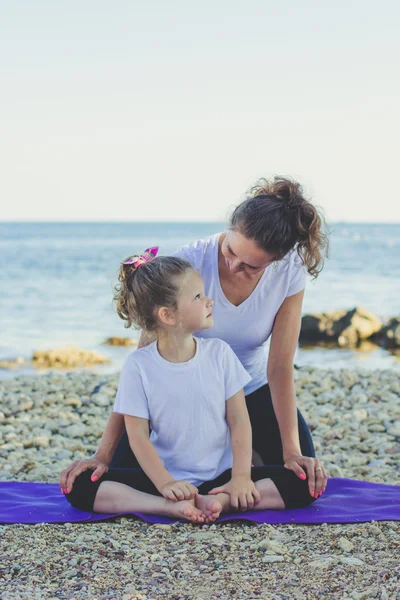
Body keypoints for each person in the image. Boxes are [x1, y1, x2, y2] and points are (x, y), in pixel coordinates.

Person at [60, 176, 328, 500]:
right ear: (230, 228)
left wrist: (291, 452)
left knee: (304, 477)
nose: (233, 265)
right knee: (94, 482)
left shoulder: (289, 272)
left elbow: (280, 366)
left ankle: (228, 485)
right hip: (178, 397)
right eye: (230, 251)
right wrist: (103, 454)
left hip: (250, 392)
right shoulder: (189, 265)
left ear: (275, 261)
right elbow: (144, 363)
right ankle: (200, 490)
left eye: (250, 267)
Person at [65, 251, 315, 522]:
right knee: (79, 488)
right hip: (166, 480)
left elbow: (239, 420)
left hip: (221, 477)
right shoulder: (138, 365)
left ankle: (222, 500)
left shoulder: (220, 354)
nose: (209, 301)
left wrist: (240, 478)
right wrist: (166, 486)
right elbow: (136, 434)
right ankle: (168, 506)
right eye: (197, 297)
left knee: (304, 484)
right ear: (168, 316)